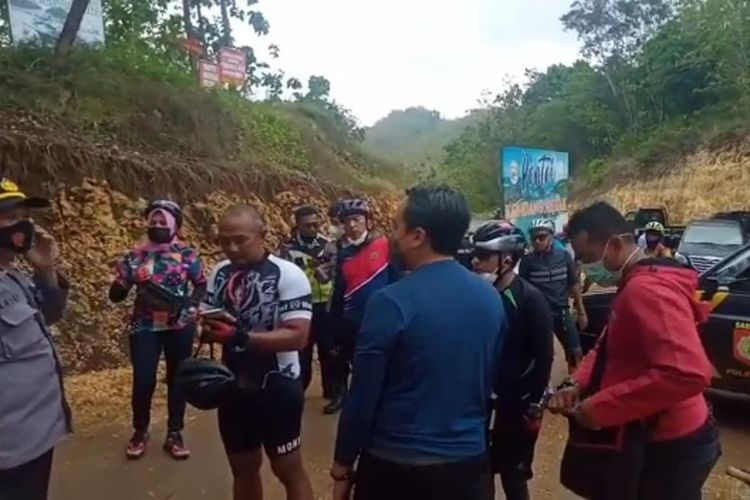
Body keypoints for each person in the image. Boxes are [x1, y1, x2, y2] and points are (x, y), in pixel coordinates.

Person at [330, 185, 506, 500]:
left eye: (397, 226)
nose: (392, 235)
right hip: (468, 467)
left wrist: (342, 465)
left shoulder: (390, 303)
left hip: (396, 467)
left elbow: (362, 396)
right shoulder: (491, 299)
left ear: (417, 235)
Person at [550, 201, 721, 500]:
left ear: (614, 244)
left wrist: (601, 407)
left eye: (587, 257)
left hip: (673, 441)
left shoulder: (646, 290)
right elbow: (609, 341)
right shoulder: (636, 281)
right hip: (662, 433)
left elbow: (687, 372)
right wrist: (578, 381)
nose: (583, 266)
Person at [201, 205, 314, 500]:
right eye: (224, 241)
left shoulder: (288, 274)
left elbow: (298, 336)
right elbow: (209, 315)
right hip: (233, 384)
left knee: (288, 468)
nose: (231, 248)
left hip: (277, 384)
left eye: (240, 239)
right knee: (243, 468)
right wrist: (205, 326)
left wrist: (240, 337)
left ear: (262, 236)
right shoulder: (219, 272)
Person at [109, 200, 206, 460]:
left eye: (163, 222)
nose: (157, 226)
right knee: (143, 380)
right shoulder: (135, 256)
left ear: (175, 225)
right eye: (153, 221)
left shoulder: (188, 255)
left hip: (179, 325)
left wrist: (192, 307)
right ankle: (140, 431)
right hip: (145, 326)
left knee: (178, 380)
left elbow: (201, 285)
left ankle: (175, 433)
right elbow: (115, 295)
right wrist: (131, 279)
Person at [472, 220, 554, 500]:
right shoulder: (477, 297)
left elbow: (544, 357)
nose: (475, 262)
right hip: (481, 401)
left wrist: (533, 404)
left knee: (513, 475)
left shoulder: (531, 300)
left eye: (483, 256)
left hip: (516, 404)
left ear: (506, 260)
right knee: (479, 472)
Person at [0, 179, 71, 500]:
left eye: (24, 213)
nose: (22, 224)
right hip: (9, 452)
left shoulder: (11, 275)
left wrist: (46, 269)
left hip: (34, 440)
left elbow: (50, 314)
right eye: (8, 215)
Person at [325, 198, 396, 414]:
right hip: (349, 316)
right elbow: (338, 288)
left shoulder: (385, 246)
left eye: (356, 219)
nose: (352, 226)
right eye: (346, 221)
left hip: (378, 317)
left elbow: (396, 279)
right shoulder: (340, 252)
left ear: (368, 221)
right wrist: (334, 320)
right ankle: (340, 395)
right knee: (339, 357)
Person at [279, 205, 336, 398]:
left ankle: (332, 392)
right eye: (308, 225)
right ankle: (298, 392)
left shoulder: (329, 244)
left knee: (328, 350)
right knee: (302, 351)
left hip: (326, 305)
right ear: (298, 225)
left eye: (316, 224)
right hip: (302, 306)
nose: (313, 228)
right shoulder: (289, 249)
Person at [519, 218, 585, 371]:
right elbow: (523, 291)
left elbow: (573, 284)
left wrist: (581, 312)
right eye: (534, 238)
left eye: (541, 237)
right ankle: (544, 388)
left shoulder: (564, 257)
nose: (537, 241)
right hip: (540, 313)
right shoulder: (527, 262)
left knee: (575, 350)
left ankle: (574, 384)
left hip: (562, 310)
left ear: (551, 236)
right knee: (543, 354)